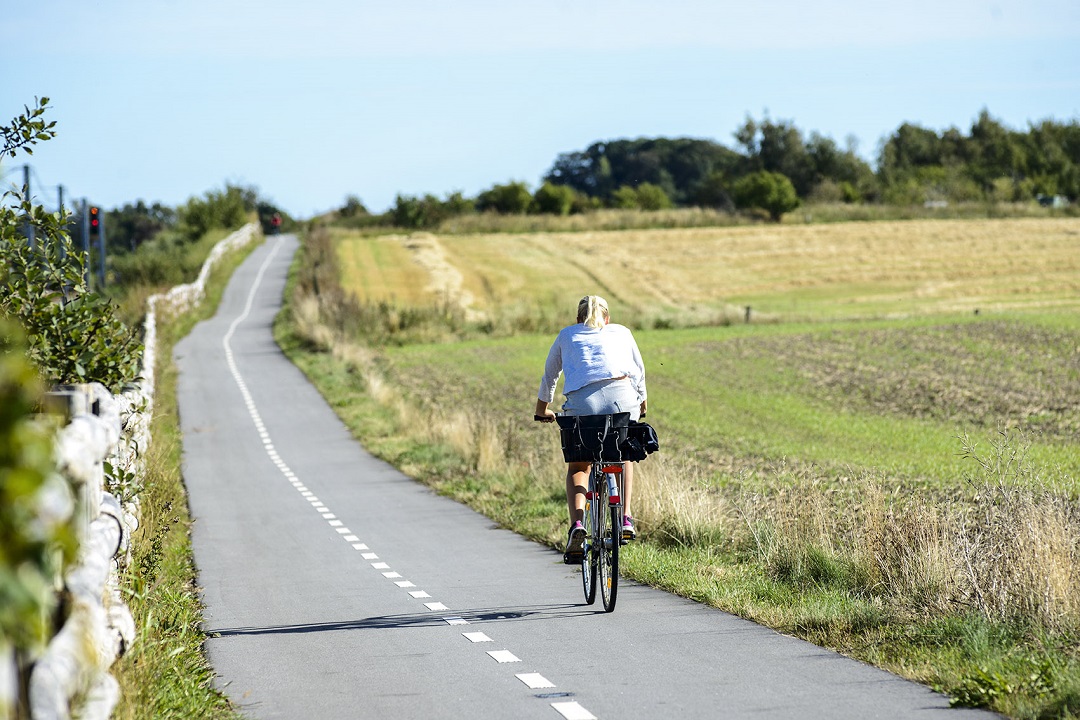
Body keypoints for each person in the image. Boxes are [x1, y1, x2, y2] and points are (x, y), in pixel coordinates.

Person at [534, 295, 647, 561]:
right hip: (623, 399)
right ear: (607, 319)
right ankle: (626, 518)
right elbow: (638, 371)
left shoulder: (567, 335)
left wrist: (542, 411)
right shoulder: (622, 332)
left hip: (583, 404)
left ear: (577, 319)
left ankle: (578, 525)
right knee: (623, 455)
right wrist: (641, 404)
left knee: (579, 466)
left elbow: (550, 376)